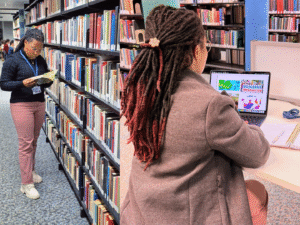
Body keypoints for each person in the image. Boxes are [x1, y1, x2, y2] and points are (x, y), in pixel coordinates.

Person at [120, 5, 270, 225]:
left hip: (141, 211)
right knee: (258, 190)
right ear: (196, 51)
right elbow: (258, 154)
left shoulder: (141, 92)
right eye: (205, 45)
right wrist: (246, 126)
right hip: (187, 216)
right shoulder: (210, 105)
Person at [0, 29, 53, 200]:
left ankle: (31, 171)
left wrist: (48, 79)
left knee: (35, 140)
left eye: (40, 49)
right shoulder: (13, 60)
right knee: (26, 143)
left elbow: (46, 79)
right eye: (34, 48)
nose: (36, 52)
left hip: (39, 102)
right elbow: (4, 84)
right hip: (21, 104)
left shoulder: (40, 60)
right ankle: (26, 184)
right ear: (25, 43)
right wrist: (22, 83)